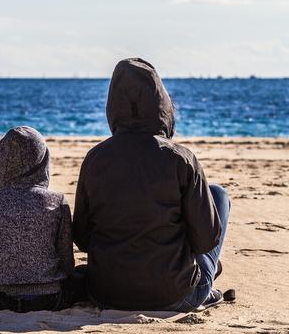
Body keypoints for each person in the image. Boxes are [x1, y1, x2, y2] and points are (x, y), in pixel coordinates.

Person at [72, 58, 230, 312]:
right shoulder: (181, 159)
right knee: (218, 194)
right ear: (162, 103)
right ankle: (204, 285)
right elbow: (205, 241)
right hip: (175, 295)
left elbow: (82, 237)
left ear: (113, 106)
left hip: (105, 293)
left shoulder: (95, 159)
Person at [0, 126, 85, 312]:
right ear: (44, 162)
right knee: (83, 275)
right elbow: (67, 265)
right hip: (49, 299)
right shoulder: (57, 202)